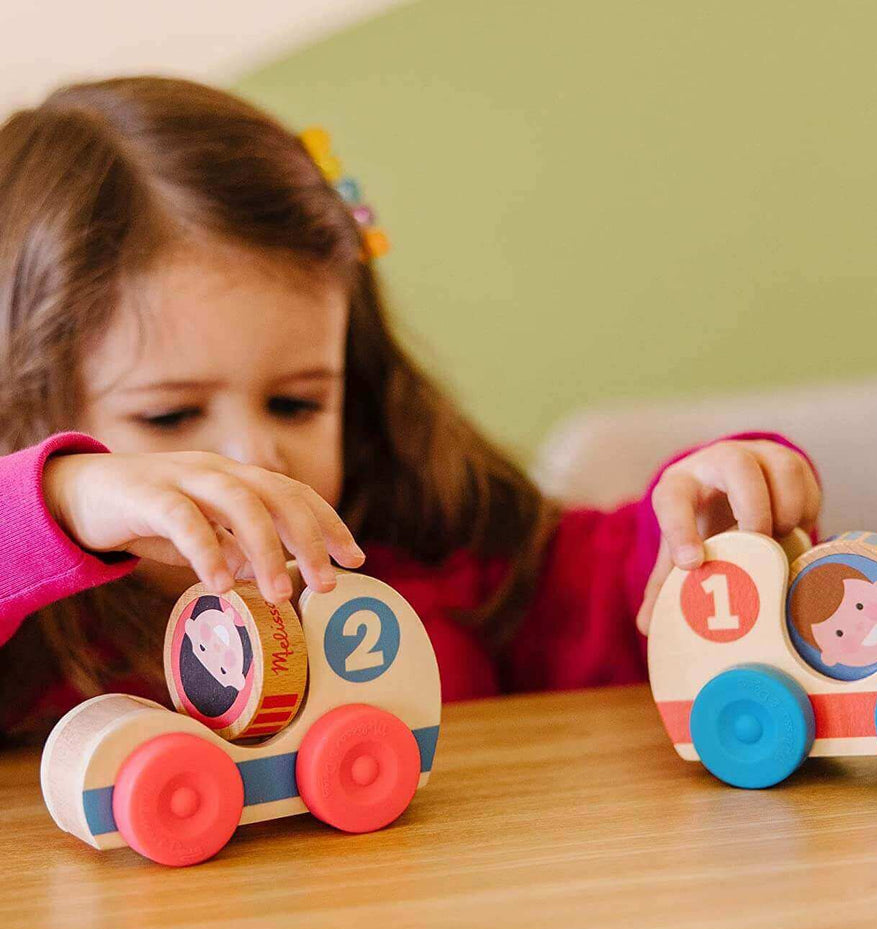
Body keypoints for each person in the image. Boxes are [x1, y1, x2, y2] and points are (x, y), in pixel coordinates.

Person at [0, 76, 820, 740]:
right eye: (171, 418)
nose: (253, 456)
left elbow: (600, 601)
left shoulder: (430, 556)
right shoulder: (36, 645)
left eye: (297, 401)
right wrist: (60, 501)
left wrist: (703, 519)